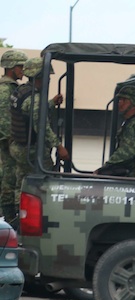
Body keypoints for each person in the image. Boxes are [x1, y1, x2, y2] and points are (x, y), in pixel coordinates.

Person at [9, 57, 69, 214]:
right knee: (45, 181)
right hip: (31, 150)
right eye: (46, 77)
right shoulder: (35, 98)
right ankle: (40, 215)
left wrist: (50, 104)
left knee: (20, 183)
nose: (48, 80)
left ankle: (18, 216)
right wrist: (59, 146)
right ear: (39, 76)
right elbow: (41, 126)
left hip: (18, 146)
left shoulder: (20, 91)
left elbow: (28, 112)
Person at [96, 86, 135, 176]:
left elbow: (126, 152)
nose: (120, 103)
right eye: (120, 100)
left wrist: (106, 167)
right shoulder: (129, 122)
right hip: (131, 170)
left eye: (125, 100)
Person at [0, 50, 27, 221]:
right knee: (10, 181)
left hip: (9, 141)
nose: (23, 70)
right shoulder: (5, 90)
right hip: (8, 142)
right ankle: (10, 220)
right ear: (11, 67)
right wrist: (13, 140)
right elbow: (4, 121)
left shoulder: (11, 88)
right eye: (20, 66)